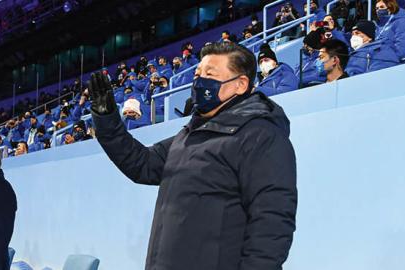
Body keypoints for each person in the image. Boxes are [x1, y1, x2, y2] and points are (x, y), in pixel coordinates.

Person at [89, 42, 297, 270]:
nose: (199, 81)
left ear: (240, 84)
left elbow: (272, 224)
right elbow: (141, 164)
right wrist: (107, 118)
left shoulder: (261, 136)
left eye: (210, 74)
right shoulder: (189, 135)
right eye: (198, 74)